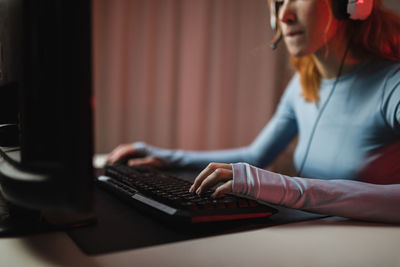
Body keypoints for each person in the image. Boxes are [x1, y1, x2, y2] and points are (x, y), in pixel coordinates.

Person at [107, 0, 400, 223]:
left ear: (351, 4)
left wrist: (285, 189)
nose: (284, 15)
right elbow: (254, 158)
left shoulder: (392, 85)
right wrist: (165, 158)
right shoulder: (302, 85)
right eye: (278, 1)